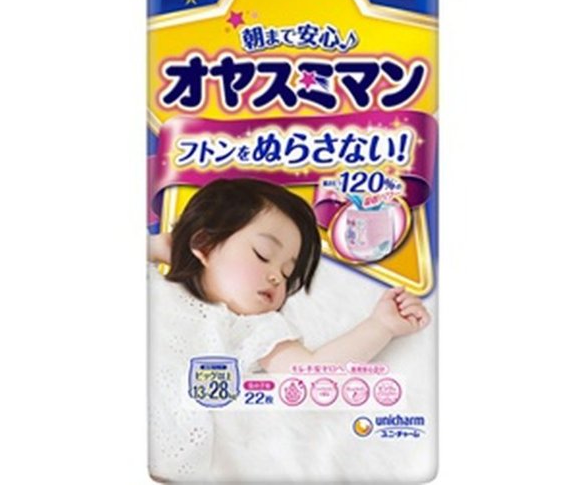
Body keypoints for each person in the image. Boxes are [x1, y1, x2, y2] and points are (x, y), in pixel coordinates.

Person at [147, 178, 431, 479]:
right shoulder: (153, 284)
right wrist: (162, 246)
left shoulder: (254, 326)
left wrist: (380, 326)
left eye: (287, 274)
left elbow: (308, 373)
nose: (276, 277)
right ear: (204, 244)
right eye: (263, 255)